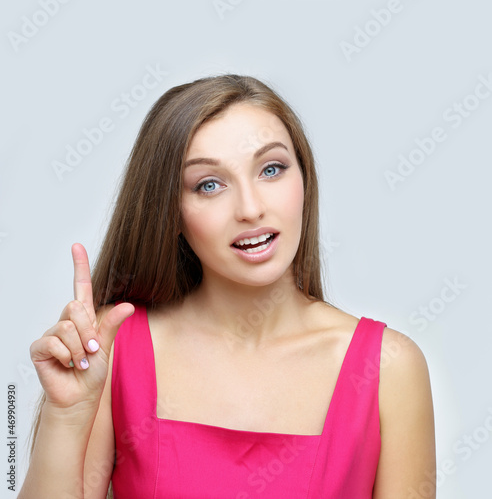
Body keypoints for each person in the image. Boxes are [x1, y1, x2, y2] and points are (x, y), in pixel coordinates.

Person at [19, 74, 436, 499]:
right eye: (209, 185)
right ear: (172, 214)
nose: (251, 209)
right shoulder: (115, 345)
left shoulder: (388, 368)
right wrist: (67, 416)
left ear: (305, 180)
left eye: (271, 169)